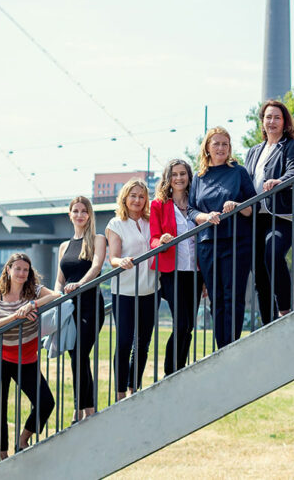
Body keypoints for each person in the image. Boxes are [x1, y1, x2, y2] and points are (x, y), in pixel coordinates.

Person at [0, 253, 60, 457]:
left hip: (26, 357)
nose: (21, 273)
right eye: (17, 268)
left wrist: (32, 305)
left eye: (25, 270)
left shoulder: (33, 292)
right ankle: (2, 455)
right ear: (8, 270)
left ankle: (23, 438)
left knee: (46, 401)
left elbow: (57, 295)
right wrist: (16, 316)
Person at [187, 127, 256, 348]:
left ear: (230, 148)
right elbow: (191, 210)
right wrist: (206, 216)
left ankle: (232, 346)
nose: (220, 148)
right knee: (216, 298)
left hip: (236, 242)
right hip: (208, 244)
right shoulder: (199, 177)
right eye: (215, 144)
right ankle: (221, 347)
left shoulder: (239, 172)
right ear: (207, 147)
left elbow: (253, 207)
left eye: (224, 144)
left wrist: (237, 206)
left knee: (232, 297)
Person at [244, 100, 294, 321]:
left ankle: (285, 309)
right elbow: (245, 182)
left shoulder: (292, 146)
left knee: (273, 254)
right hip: (255, 220)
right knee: (259, 273)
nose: (272, 122)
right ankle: (268, 322)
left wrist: (279, 181)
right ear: (262, 121)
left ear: (284, 122)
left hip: (281, 217)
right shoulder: (253, 151)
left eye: (277, 118)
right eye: (268, 117)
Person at [150, 159, 205, 373]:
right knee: (181, 323)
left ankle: (180, 370)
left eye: (183, 174)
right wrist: (161, 241)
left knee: (189, 326)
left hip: (196, 272)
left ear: (189, 177)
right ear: (168, 178)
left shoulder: (197, 202)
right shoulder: (159, 205)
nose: (179, 178)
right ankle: (169, 371)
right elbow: (153, 238)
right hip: (172, 272)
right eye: (175, 174)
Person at [106, 178, 158, 397]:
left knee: (143, 343)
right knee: (125, 341)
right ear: (125, 198)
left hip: (151, 289)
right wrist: (122, 261)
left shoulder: (151, 221)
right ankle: (119, 393)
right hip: (125, 292)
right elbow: (113, 258)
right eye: (133, 195)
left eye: (141, 196)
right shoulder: (116, 223)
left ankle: (132, 387)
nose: (137, 200)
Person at [56, 195, 106, 421]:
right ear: (70, 215)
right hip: (68, 307)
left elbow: (96, 267)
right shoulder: (64, 246)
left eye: (84, 211)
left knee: (80, 353)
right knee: (76, 355)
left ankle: (79, 411)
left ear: (89, 215)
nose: (79, 215)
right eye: (75, 211)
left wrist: (79, 285)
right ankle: (89, 410)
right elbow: (60, 279)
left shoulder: (98, 239)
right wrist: (56, 296)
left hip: (90, 304)